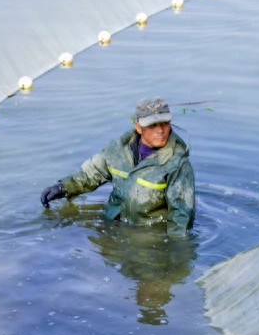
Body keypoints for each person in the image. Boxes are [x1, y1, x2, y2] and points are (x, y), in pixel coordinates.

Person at [42, 97, 196, 233]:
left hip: (149, 235)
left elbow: (181, 214)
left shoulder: (177, 163)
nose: (161, 130)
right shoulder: (118, 150)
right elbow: (91, 173)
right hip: (112, 222)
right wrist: (63, 187)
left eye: (165, 123)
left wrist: (177, 252)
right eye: (153, 125)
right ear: (138, 127)